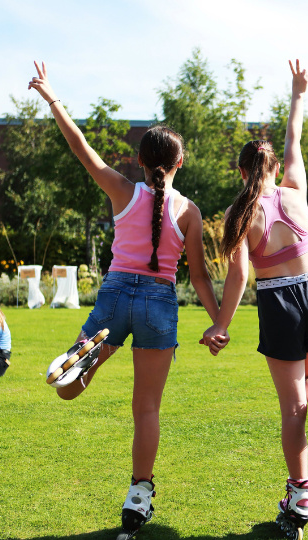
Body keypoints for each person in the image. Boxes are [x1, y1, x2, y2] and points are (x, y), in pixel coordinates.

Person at [28, 61, 223, 538]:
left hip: (115, 295)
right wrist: (218, 323)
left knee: (70, 387)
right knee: (147, 408)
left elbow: (81, 148)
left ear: (139, 161)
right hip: (159, 303)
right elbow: (197, 275)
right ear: (180, 164)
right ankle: (140, 492)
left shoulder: (122, 191)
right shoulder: (189, 212)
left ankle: (77, 364)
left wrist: (52, 98)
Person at [202, 60, 308, 540]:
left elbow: (240, 272)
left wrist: (221, 326)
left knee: (292, 409)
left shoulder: (240, 211)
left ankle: (300, 493)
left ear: (240, 171)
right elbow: (294, 139)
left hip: (280, 301)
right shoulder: (296, 190)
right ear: (275, 169)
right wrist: (298, 93)